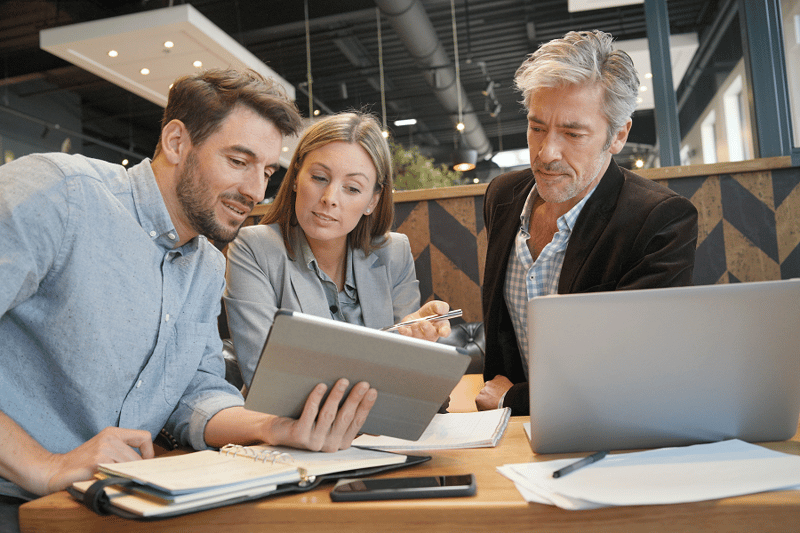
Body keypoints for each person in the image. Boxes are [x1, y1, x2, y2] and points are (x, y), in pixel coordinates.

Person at [0, 69, 378, 528]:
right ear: (177, 142)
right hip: (18, 498)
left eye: (267, 171)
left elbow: (192, 395)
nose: (256, 192)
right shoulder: (63, 194)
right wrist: (43, 464)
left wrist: (274, 427)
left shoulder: (206, 266)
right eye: (239, 162)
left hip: (107, 504)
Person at [476, 31, 698, 415]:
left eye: (573, 133)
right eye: (537, 127)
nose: (546, 153)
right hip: (508, 435)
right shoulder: (503, 196)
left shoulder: (660, 220)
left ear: (618, 136)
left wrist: (515, 400)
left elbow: (633, 372)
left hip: (611, 432)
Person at [224, 111, 452, 389]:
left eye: (352, 188)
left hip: (383, 426)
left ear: (372, 201)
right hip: (289, 425)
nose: (329, 199)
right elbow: (267, 377)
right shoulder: (253, 249)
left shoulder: (395, 252)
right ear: (296, 178)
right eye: (319, 178)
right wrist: (388, 359)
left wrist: (416, 342)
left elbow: (409, 381)